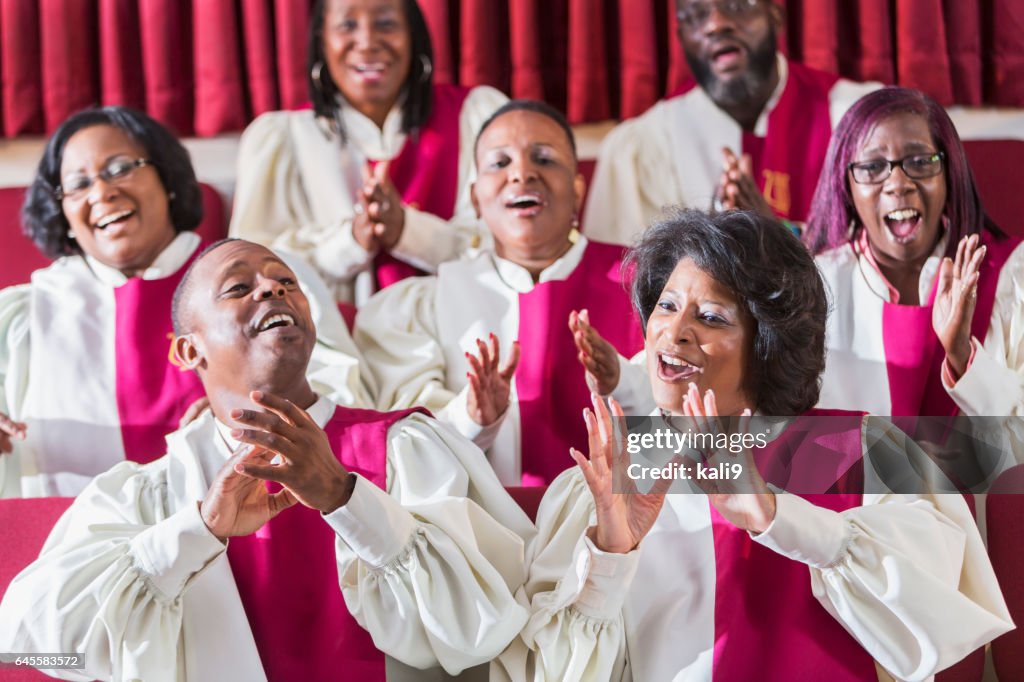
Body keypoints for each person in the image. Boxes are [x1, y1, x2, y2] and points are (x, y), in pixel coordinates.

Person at [494, 210, 1012, 681]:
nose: (674, 332)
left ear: (768, 344)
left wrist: (780, 519)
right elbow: (549, 671)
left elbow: (938, 614)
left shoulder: (866, 449)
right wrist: (609, 557)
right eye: (666, 305)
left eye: (710, 317)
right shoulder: (607, 478)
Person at [0, 238, 534, 682]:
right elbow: (29, 647)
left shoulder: (406, 446)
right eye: (238, 287)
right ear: (188, 351)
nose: (273, 289)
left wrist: (348, 499)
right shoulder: (148, 496)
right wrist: (195, 533)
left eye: (287, 282)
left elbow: (488, 630)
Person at [0, 106, 373, 499]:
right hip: (77, 531)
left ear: (167, 178)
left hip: (251, 517)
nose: (102, 193)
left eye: (120, 168)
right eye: (78, 184)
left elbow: (341, 396)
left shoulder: (266, 279)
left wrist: (247, 413)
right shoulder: (20, 317)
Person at [354, 100, 647, 486]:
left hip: (629, 517)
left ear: (577, 190)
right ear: (475, 198)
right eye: (499, 162)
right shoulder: (428, 305)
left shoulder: (648, 284)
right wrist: (473, 418)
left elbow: (702, 443)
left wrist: (624, 385)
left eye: (544, 159)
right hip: (484, 525)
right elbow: (403, 461)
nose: (522, 173)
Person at [230, 0, 508, 304]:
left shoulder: (477, 116)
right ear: (322, 40)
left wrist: (409, 231)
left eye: (386, 23)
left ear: (413, 35)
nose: (367, 42)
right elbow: (252, 274)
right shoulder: (285, 138)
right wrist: (350, 241)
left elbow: (514, 247)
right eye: (347, 25)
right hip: (334, 332)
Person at [805, 87, 1024, 423]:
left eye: (920, 162)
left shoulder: (1013, 273)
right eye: (873, 166)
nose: (898, 183)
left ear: (950, 172)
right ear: (846, 184)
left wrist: (963, 358)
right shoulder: (814, 287)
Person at [584, 0, 879, 244]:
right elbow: (629, 283)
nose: (715, 24)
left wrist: (775, 235)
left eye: (736, 5)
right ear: (681, 38)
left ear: (775, 17)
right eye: (696, 14)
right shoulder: (647, 143)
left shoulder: (859, 117)